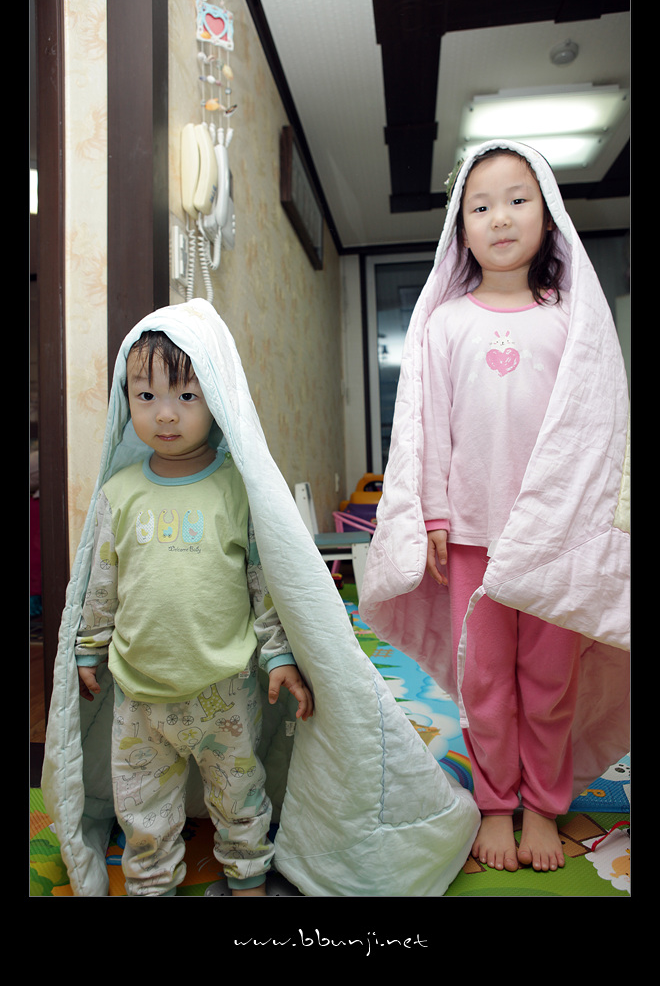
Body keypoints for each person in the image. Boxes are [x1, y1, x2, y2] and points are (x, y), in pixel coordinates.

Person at [359, 140, 630, 878]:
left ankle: (542, 803)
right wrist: (433, 517)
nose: (500, 218)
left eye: (517, 200)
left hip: (552, 541)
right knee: (482, 682)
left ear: (548, 214)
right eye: (480, 206)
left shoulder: (571, 319)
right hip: (472, 541)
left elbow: (597, 421)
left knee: (549, 681)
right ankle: (493, 802)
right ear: (461, 224)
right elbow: (425, 427)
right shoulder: (445, 323)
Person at [75, 328, 313, 896]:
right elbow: (102, 581)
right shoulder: (119, 493)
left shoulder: (238, 488)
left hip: (223, 687)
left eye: (186, 396)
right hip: (140, 690)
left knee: (239, 793)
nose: (165, 414)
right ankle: (150, 883)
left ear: (217, 402)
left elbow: (263, 582)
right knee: (142, 805)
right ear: (126, 401)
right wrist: (89, 645)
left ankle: (248, 878)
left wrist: (279, 654)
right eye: (146, 395)